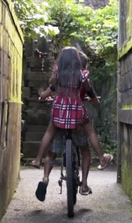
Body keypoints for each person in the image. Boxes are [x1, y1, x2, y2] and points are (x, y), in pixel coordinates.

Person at [30, 47, 113, 197]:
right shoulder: (81, 76)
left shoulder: (57, 75)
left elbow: (47, 92)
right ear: (76, 60)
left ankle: (38, 162)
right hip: (76, 114)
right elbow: (90, 92)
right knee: (90, 131)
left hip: (59, 113)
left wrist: (42, 96)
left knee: (49, 133)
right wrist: (95, 102)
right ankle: (100, 159)